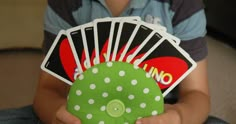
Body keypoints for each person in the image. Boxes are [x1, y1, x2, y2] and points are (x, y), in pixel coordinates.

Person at [1, 0, 224, 124]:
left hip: (162, 113)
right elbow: (47, 91)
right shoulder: (66, 3)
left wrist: (178, 117)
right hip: (82, 112)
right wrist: (56, 115)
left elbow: (198, 95)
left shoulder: (182, 4)